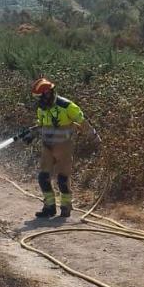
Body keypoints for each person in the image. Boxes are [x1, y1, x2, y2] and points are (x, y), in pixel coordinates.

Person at [21, 77, 85, 219]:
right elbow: (42, 124)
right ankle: (49, 207)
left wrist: (95, 139)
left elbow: (82, 121)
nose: (39, 101)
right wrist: (31, 135)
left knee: (62, 179)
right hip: (47, 147)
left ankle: (66, 207)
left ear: (48, 93)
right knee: (43, 177)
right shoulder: (42, 108)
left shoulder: (66, 106)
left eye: (40, 97)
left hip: (64, 147)